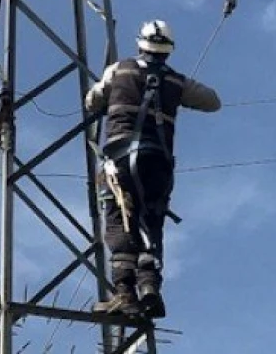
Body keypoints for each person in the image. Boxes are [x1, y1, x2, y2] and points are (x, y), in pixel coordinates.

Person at [85, 20, 221, 318]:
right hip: (158, 162)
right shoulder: (177, 81)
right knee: (151, 223)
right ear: (168, 51)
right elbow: (213, 102)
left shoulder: (119, 70)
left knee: (121, 222)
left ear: (139, 44)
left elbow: (92, 101)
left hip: (120, 161)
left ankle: (124, 294)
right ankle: (149, 288)